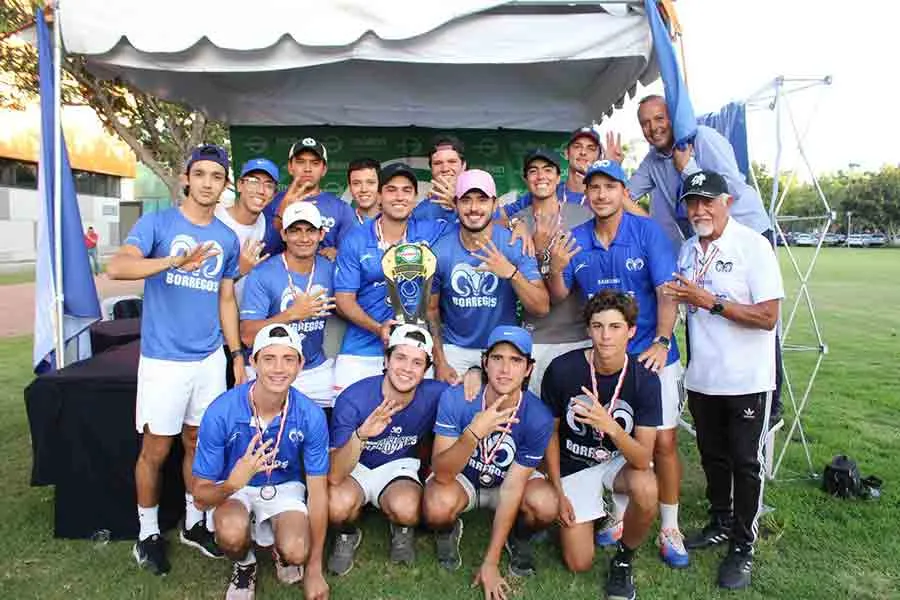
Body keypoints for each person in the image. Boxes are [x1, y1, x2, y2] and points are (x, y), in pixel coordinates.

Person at [106, 143, 245, 575]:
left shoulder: (226, 237)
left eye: (216, 176)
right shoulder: (158, 224)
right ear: (186, 177)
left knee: (198, 443)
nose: (207, 183)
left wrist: (235, 353)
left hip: (207, 360)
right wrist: (174, 260)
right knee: (156, 449)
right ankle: (148, 533)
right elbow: (117, 268)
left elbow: (226, 298)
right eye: (200, 174)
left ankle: (194, 522)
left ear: (225, 186)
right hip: (164, 360)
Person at [547, 159, 688, 568]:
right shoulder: (575, 237)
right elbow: (558, 295)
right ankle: (620, 514)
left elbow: (667, 292)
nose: (602, 194)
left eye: (611, 186)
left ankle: (669, 525)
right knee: (614, 431)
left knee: (662, 442)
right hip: (606, 352)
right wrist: (555, 270)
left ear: (624, 192)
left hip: (649, 350)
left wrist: (662, 340)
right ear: (586, 193)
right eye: (595, 187)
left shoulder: (646, 232)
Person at [663, 170, 784, 590]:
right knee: (713, 456)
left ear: (727, 202)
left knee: (746, 463)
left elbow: (768, 317)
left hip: (746, 379)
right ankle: (720, 521)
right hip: (704, 377)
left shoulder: (753, 246)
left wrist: (710, 302)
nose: (699, 209)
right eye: (692, 202)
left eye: (707, 201)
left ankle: (743, 545)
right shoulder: (687, 250)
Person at [192, 324, 330, 600]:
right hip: (235, 488)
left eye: (288, 359)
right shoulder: (221, 411)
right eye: (269, 358)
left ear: (300, 365)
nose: (279, 369)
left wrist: (314, 570)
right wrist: (232, 482)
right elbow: (200, 498)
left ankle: (282, 551)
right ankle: (245, 564)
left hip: (284, 487)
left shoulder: (311, 415)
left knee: (297, 550)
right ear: (253, 362)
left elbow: (317, 493)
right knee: (230, 534)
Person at [542, 291, 661, 600]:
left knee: (647, 487)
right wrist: (556, 490)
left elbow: (643, 457)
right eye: (597, 326)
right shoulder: (562, 369)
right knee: (578, 563)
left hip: (618, 462)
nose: (605, 336)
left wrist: (610, 426)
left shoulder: (645, 379)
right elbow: (550, 436)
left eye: (615, 327)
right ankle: (593, 512)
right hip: (574, 463)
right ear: (588, 329)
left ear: (631, 330)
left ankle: (623, 558)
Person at [424, 326, 557, 595]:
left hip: (507, 481)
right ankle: (449, 529)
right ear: (484, 362)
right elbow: (440, 473)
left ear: (528, 369)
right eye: (498, 358)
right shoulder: (457, 397)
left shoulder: (538, 416)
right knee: (436, 507)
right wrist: (473, 433)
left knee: (545, 505)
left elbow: (512, 489)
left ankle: (517, 536)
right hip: (464, 478)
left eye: (516, 360)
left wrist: (490, 562)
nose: (505, 369)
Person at [326, 324, 447, 575]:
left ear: (426, 369)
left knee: (409, 509)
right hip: (355, 464)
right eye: (400, 358)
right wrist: (361, 435)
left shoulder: (435, 394)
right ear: (386, 359)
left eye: (416, 363)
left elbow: (472, 394)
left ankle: (401, 528)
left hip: (397, 466)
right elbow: (335, 474)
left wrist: (475, 374)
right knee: (335, 506)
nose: (406, 369)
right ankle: (347, 534)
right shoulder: (354, 398)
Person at [332, 162, 446, 391]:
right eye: (392, 189)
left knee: (414, 425)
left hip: (414, 353)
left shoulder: (432, 231)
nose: (399, 197)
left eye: (407, 190)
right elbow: (344, 301)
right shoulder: (355, 239)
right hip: (362, 352)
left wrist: (517, 224)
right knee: (350, 420)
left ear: (415, 198)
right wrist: (378, 328)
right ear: (380, 195)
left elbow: (478, 224)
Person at [429, 169, 548, 384]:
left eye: (482, 200)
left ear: (494, 205)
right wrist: (440, 361)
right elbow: (431, 310)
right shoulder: (440, 251)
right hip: (455, 349)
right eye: (466, 200)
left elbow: (541, 307)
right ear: (455, 204)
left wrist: (511, 273)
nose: (474, 208)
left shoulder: (514, 245)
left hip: (503, 348)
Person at [240, 202, 337, 413]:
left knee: (324, 434)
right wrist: (292, 314)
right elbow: (247, 336)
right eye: (295, 231)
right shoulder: (263, 274)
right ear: (283, 234)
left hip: (314, 368)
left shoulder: (331, 269)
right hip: (270, 369)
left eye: (310, 231)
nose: (303, 238)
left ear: (321, 234)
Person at [514, 149, 593, 394]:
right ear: (525, 179)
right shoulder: (517, 222)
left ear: (559, 177)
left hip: (579, 337)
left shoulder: (584, 216)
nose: (541, 176)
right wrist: (516, 226)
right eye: (533, 171)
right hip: (535, 339)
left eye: (548, 170)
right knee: (537, 420)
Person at [261, 137, 356, 260]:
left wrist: (337, 253)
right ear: (290, 167)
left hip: (323, 277)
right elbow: (264, 252)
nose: (307, 169)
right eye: (300, 162)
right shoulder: (273, 202)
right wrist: (281, 214)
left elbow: (352, 256)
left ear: (324, 169)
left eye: (315, 163)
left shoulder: (341, 209)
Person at [500, 126, 604, 218]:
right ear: (566, 153)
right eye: (577, 146)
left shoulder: (604, 196)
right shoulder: (547, 190)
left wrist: (611, 175)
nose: (583, 152)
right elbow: (498, 216)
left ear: (600, 157)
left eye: (591, 148)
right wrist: (515, 224)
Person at [215, 158, 280, 302]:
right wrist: (239, 271)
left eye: (268, 185)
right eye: (253, 181)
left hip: (244, 318)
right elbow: (196, 283)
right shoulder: (214, 218)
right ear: (239, 185)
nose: (261, 190)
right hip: (210, 317)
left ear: (274, 195)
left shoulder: (267, 225)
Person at [410, 135, 467, 222]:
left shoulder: (482, 203)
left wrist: (457, 206)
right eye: (438, 163)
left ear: (463, 166)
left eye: (452, 162)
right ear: (431, 168)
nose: (445, 169)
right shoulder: (421, 212)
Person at [347, 158, 381, 225]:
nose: (364, 189)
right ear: (350, 187)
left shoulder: (395, 221)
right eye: (356, 183)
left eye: (370, 182)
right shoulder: (343, 224)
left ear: (380, 185)